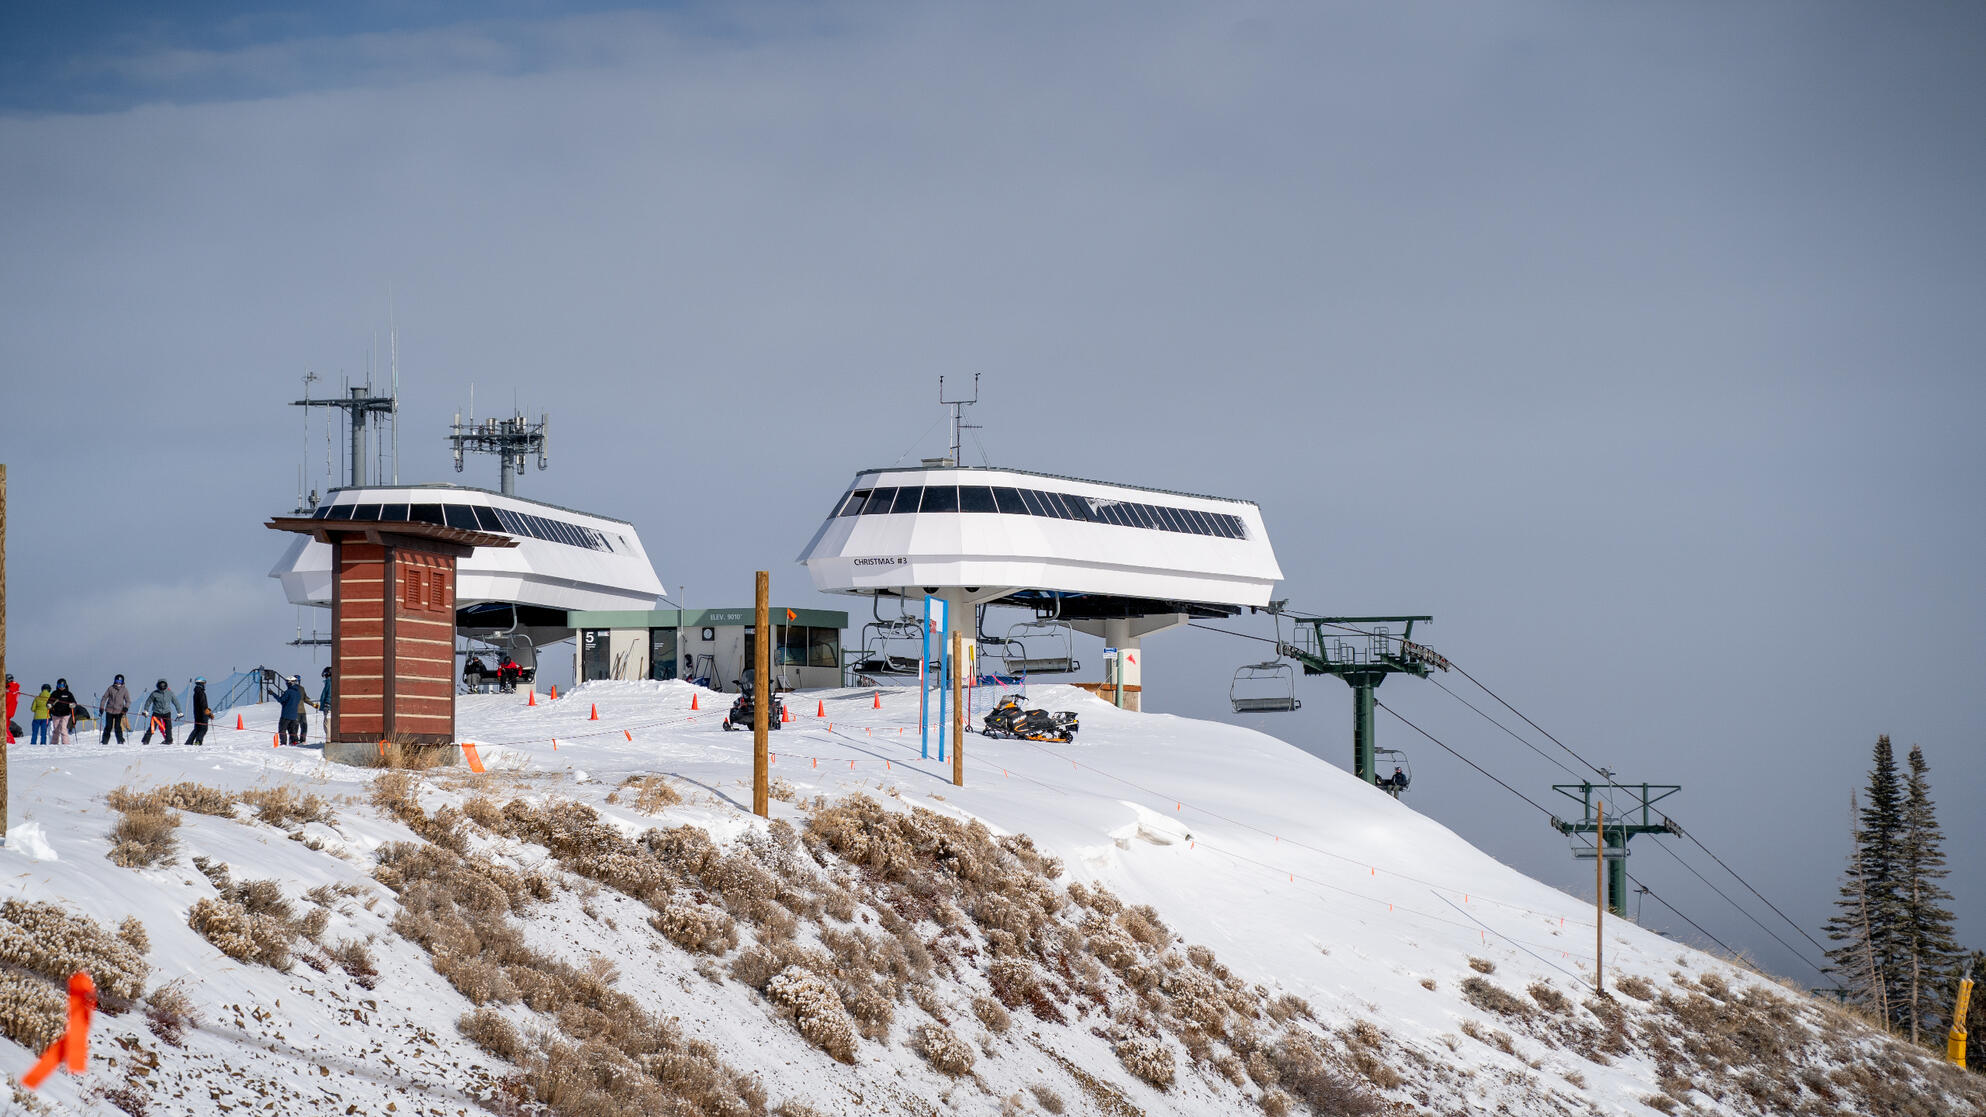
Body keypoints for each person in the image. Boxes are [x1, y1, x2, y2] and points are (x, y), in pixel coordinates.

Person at [139, 680, 181, 745]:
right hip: (156, 713)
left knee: (168, 727)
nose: (162, 688)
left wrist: (179, 712)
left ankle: (169, 740)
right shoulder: (154, 693)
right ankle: (145, 741)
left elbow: (176, 702)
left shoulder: (170, 693)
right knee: (153, 727)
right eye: (160, 686)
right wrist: (145, 710)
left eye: (163, 686)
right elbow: (148, 702)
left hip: (167, 713)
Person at [98, 674, 132, 745]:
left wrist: (126, 708)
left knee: (117, 727)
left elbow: (128, 701)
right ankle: (104, 742)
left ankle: (120, 741)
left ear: (122, 682)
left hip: (119, 711)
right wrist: (101, 707)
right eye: (117, 681)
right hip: (109, 710)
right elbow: (104, 698)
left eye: (120, 681)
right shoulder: (110, 688)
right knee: (108, 726)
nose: (118, 683)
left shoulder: (124, 690)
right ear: (114, 681)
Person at [277, 675, 309, 746]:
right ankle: (295, 742)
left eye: (287, 682)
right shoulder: (298, 692)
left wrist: (273, 694)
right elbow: (304, 699)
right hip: (294, 715)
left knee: (282, 729)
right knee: (293, 730)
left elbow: (281, 700)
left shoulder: (289, 691)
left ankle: (283, 744)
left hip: (286, 714)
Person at [46, 680, 77, 744]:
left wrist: (72, 705)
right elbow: (50, 701)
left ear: (65, 685)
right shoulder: (54, 693)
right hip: (56, 714)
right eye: (59, 685)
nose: (61, 687)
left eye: (62, 685)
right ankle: (54, 743)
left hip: (65, 714)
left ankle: (65, 744)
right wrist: (49, 704)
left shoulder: (68, 694)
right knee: (56, 730)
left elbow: (74, 702)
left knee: (63, 729)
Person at [185, 677, 213, 747]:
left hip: (197, 713)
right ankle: (198, 741)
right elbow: (202, 703)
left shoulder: (197, 691)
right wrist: (208, 712)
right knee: (203, 728)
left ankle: (189, 742)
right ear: (201, 683)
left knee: (197, 728)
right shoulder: (200, 692)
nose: (204, 685)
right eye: (204, 683)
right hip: (202, 713)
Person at [318, 667, 333, 739]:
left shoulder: (329, 682)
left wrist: (327, 704)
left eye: (325, 674)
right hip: (329, 706)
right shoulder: (330, 681)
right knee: (327, 724)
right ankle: (329, 738)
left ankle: (329, 740)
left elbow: (329, 694)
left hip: (329, 707)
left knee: (327, 724)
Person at [4, 674, 16, 744]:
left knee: (3, 726)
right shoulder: (14, 688)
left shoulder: (11, 688)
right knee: (6, 725)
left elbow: (7, 700)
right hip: (10, 710)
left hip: (6, 710)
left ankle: (9, 741)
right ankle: (9, 741)